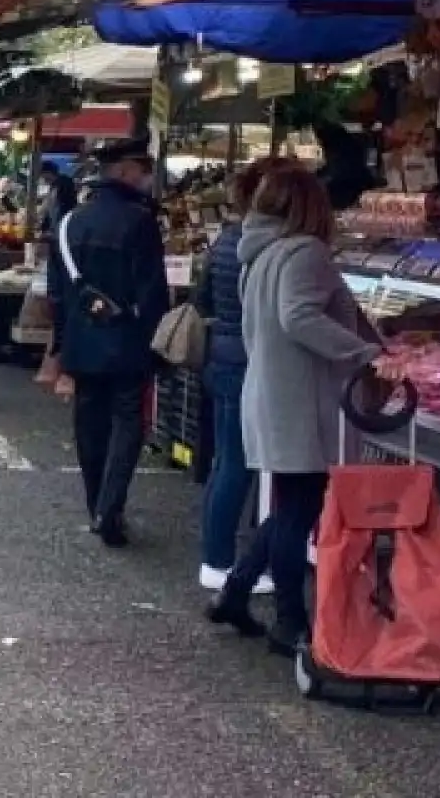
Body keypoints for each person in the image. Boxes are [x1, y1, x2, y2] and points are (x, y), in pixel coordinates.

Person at [207, 167, 394, 654]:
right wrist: (365, 354)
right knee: (298, 512)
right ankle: (290, 621)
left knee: (291, 506)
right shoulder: (306, 252)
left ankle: (236, 591)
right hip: (301, 403)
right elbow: (299, 317)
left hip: (272, 395)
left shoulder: (259, 252)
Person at [47, 137, 170, 548]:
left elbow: (57, 293)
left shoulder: (68, 223)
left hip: (82, 342)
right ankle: (109, 507)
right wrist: (156, 341)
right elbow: (153, 291)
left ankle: (94, 502)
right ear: (123, 171)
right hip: (128, 340)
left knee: (89, 424)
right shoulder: (140, 221)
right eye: (141, 168)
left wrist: (60, 345)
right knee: (126, 424)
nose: (146, 177)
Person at [192, 157, 291, 594]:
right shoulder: (267, 245)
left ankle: (216, 553)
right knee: (236, 464)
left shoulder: (228, 239)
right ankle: (219, 561)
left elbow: (203, 300)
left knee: (225, 461)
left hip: (221, 357)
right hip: (247, 361)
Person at [37, 160, 78, 241]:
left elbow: (61, 209)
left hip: (63, 231)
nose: (41, 178)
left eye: (42, 174)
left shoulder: (64, 183)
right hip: (57, 231)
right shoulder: (54, 186)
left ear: (48, 172)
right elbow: (50, 209)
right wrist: (43, 227)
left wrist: (53, 231)